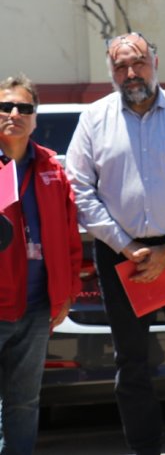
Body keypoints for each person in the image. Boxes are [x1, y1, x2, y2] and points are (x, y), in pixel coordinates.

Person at [65, 32, 165, 455]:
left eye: (138, 62)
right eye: (120, 66)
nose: (131, 73)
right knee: (131, 364)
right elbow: (80, 190)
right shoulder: (94, 119)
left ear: (156, 61)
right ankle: (144, 448)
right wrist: (124, 245)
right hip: (120, 254)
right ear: (111, 72)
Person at [0, 74, 82, 454]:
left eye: (24, 107)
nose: (15, 113)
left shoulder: (51, 166)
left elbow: (69, 237)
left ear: (35, 117)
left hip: (35, 307)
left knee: (24, 400)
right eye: (6, 106)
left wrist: (66, 294)